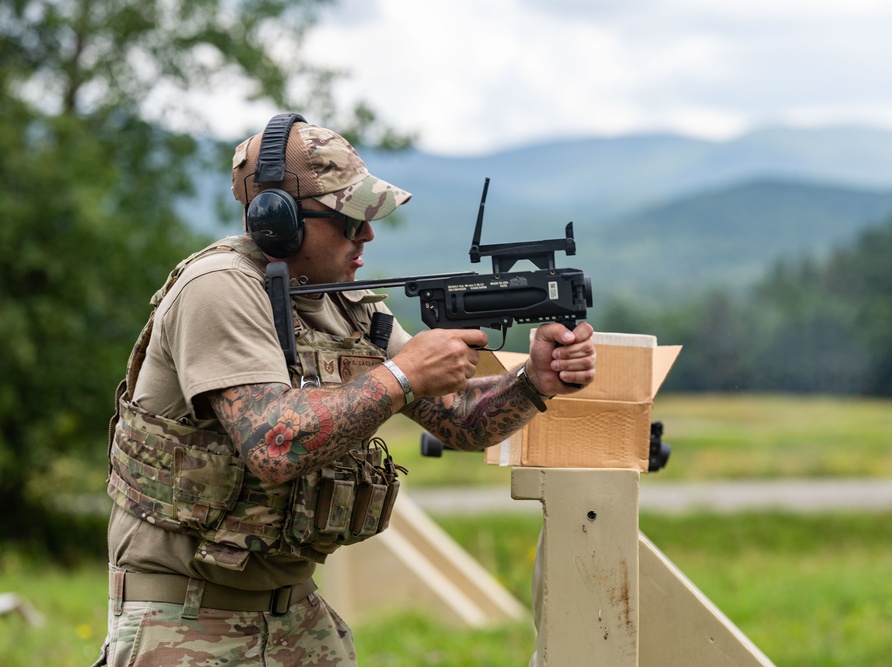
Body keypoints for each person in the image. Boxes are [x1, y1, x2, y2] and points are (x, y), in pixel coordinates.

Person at [93, 113, 596, 667]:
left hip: (293, 612)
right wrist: (402, 376)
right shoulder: (218, 290)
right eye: (350, 219)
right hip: (188, 617)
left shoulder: (345, 304)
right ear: (277, 222)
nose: (368, 235)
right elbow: (272, 444)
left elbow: (460, 418)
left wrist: (532, 380)